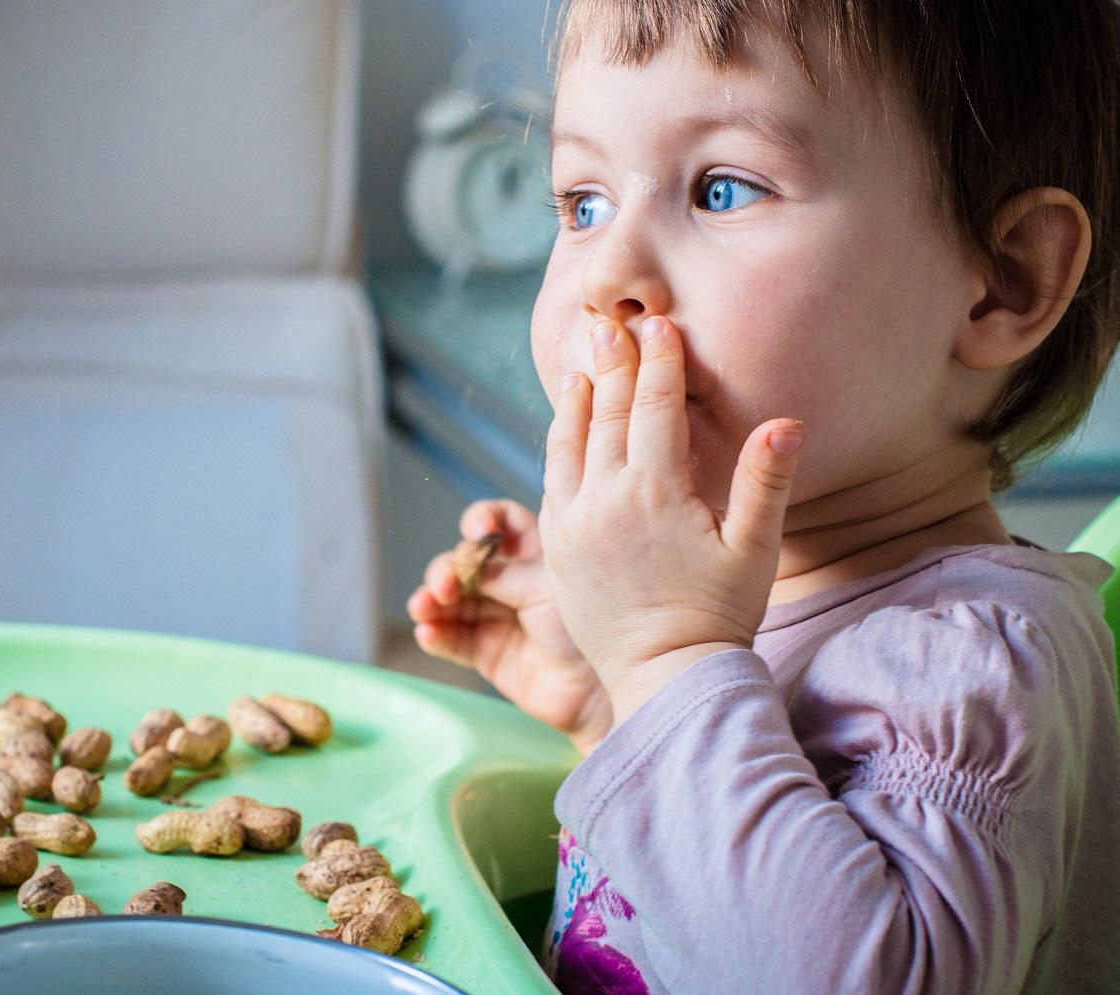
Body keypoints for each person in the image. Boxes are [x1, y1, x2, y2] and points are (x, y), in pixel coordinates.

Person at [406, 1, 1120, 991]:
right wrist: (609, 701)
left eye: (722, 188)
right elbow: (699, 900)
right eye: (581, 202)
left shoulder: (974, 662)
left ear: (1001, 281)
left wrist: (666, 659)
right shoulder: (756, 609)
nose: (605, 275)